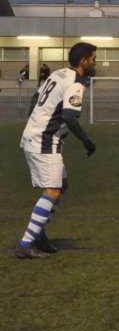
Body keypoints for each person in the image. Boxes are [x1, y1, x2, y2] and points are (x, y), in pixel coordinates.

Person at [15, 42, 97, 259]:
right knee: (52, 190)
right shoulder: (76, 83)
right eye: (93, 59)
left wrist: (35, 121)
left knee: (62, 185)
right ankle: (26, 243)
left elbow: (35, 98)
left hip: (38, 136)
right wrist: (86, 140)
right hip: (44, 140)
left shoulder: (60, 73)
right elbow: (70, 116)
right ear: (83, 61)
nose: (94, 63)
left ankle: (39, 236)